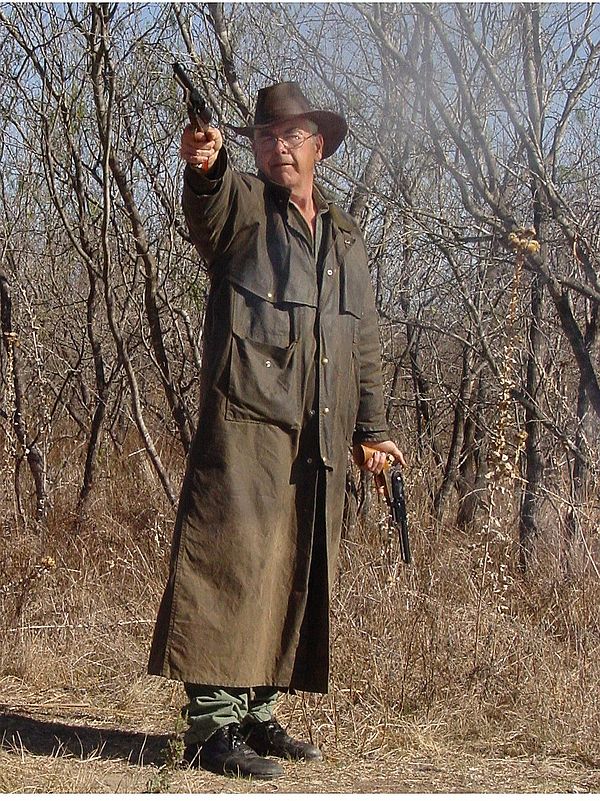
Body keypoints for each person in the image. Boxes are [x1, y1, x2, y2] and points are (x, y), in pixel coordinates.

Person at [148, 81, 406, 780]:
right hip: (247, 429)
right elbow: (209, 204)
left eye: (293, 136)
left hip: (318, 435)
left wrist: (373, 427)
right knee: (231, 568)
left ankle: (258, 713)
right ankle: (210, 729)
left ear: (318, 147)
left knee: (293, 572)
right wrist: (204, 165)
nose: (279, 146)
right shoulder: (244, 213)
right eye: (266, 137)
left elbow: (365, 340)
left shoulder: (344, 237)